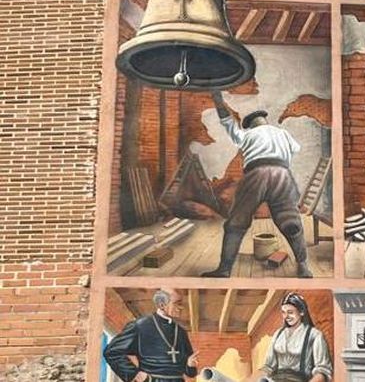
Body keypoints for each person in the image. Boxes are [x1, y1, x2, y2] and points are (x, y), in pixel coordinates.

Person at [202, 90, 312, 278]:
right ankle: (304, 267)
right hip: (282, 175)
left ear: (250, 125)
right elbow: (295, 149)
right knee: (290, 222)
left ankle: (225, 269)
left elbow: (228, 123)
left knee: (236, 223)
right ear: (265, 121)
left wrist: (219, 102)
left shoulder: (248, 134)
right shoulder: (282, 133)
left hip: (256, 175)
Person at [103, 288, 199, 382]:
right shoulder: (140, 326)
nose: (181, 308)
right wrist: (136, 374)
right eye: (176, 304)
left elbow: (190, 373)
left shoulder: (181, 332)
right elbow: (112, 352)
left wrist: (190, 365)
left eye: (181, 303)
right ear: (162, 305)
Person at [260, 293, 332, 382]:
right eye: (283, 312)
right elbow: (268, 366)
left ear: (301, 312)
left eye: (290, 312)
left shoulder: (314, 335)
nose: (286, 316)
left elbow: (322, 371)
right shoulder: (279, 334)